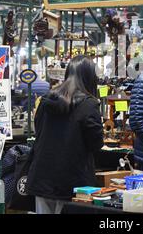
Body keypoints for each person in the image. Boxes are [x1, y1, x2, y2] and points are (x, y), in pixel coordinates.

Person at [27, 55, 104, 214]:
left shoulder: (47, 99)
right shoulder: (89, 105)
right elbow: (96, 143)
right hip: (72, 181)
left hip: (42, 177)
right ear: (90, 76)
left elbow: (38, 129)